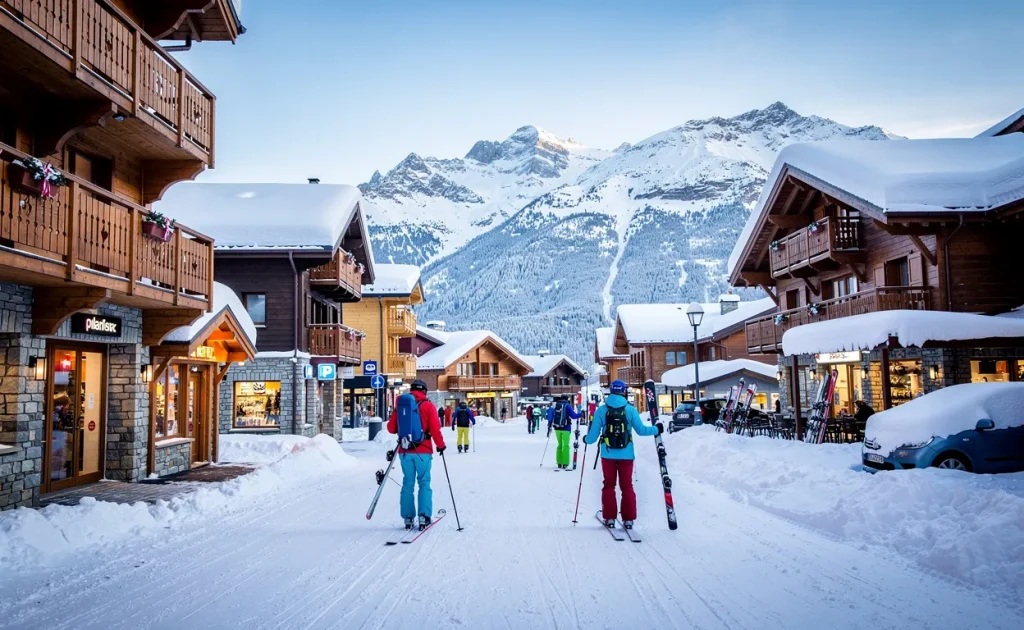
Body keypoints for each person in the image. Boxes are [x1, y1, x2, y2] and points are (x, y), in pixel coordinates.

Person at [584, 380, 661, 528]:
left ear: (610, 391)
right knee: (627, 486)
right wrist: (657, 429)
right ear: (624, 391)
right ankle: (628, 519)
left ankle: (610, 517)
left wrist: (585, 439)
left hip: (607, 455)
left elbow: (592, 437)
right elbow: (642, 431)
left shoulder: (601, 410)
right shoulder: (630, 410)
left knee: (608, 485)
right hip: (626, 455)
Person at [387, 379, 446, 530]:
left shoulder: (401, 405)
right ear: (425, 391)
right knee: (424, 482)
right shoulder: (428, 406)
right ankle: (424, 516)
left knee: (408, 483)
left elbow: (391, 428)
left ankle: (407, 517)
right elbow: (435, 429)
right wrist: (441, 446)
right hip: (423, 451)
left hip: (405, 451)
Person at [547, 396, 580, 470]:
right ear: (566, 399)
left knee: (559, 445)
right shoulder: (567, 406)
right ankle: (565, 463)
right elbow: (573, 416)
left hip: (557, 428)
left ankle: (559, 462)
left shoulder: (555, 405)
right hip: (566, 428)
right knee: (566, 446)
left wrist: (549, 426)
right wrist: (581, 414)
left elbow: (550, 416)